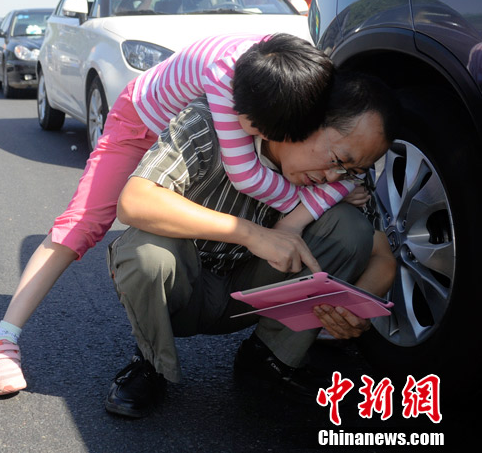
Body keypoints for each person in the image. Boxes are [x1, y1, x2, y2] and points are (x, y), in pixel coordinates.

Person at [0, 33, 359, 396]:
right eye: (258, 129)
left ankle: (266, 351)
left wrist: (334, 186)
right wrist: (301, 208)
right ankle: (3, 339)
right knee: (82, 223)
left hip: (192, 131)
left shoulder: (287, 75)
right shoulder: (227, 84)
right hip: (140, 123)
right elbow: (245, 175)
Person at [104, 72, 398, 418]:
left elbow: (382, 256)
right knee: (146, 253)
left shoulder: (344, 175)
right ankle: (151, 363)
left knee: (349, 228)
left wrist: (353, 308)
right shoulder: (211, 122)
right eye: (337, 160)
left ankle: (269, 359)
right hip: (182, 285)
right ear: (307, 118)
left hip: (251, 294)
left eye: (352, 170)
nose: (336, 177)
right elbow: (134, 201)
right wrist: (252, 234)